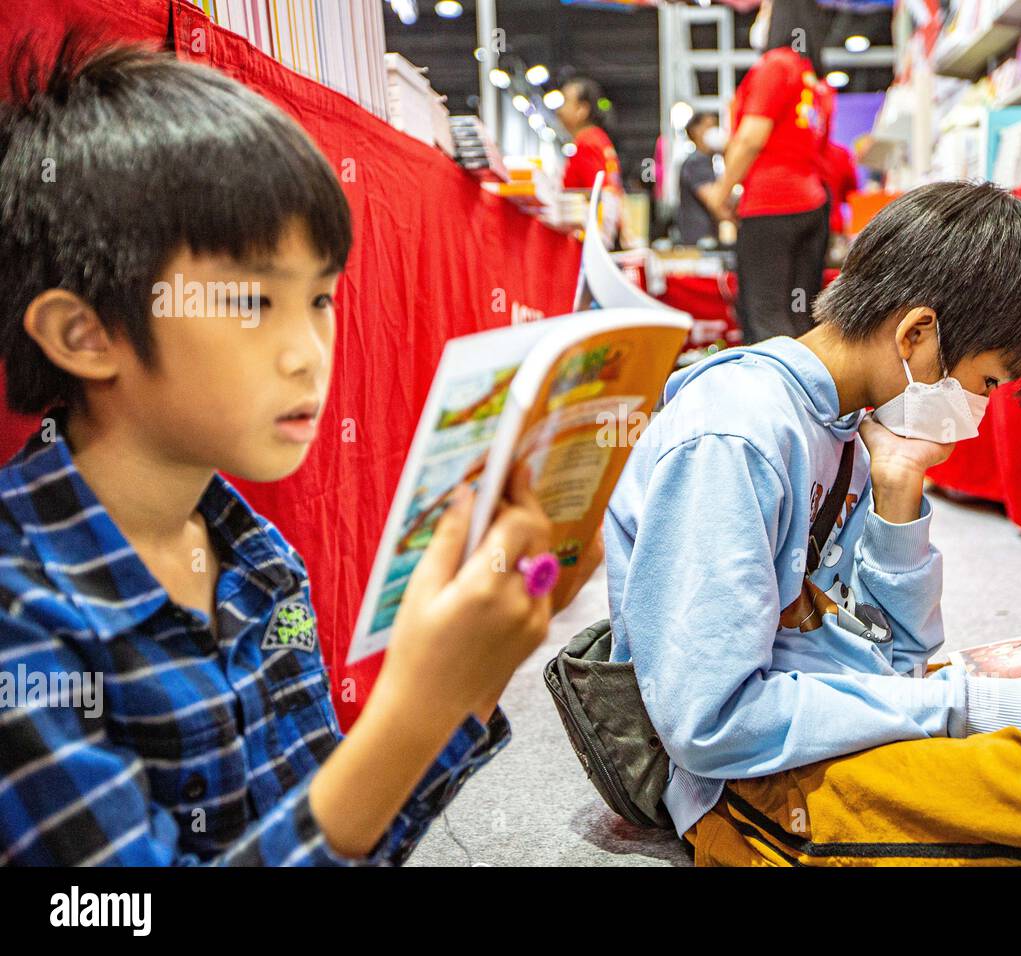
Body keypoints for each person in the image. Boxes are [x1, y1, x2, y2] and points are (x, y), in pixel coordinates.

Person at [0, 36, 603, 866]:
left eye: (319, 297)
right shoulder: (22, 616)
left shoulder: (257, 560)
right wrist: (416, 710)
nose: (308, 351)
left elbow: (328, 828)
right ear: (85, 333)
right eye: (253, 299)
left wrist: (477, 673)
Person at [603, 180, 1021, 866]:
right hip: (751, 779)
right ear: (917, 334)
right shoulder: (736, 434)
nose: (982, 409)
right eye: (988, 382)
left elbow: (894, 656)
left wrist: (899, 488)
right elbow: (713, 725)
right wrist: (969, 708)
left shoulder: (843, 427)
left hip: (831, 714)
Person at [701, 0, 833, 344]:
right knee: (799, 315)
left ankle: (774, 395)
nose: (758, 18)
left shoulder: (776, 65)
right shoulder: (815, 81)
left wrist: (722, 191)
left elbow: (750, 138)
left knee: (765, 315)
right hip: (812, 204)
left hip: (772, 205)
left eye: (764, 10)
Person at [677, 111, 724, 246]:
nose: (715, 132)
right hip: (699, 240)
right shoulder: (697, 162)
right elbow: (714, 201)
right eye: (710, 126)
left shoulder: (705, 161)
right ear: (695, 131)